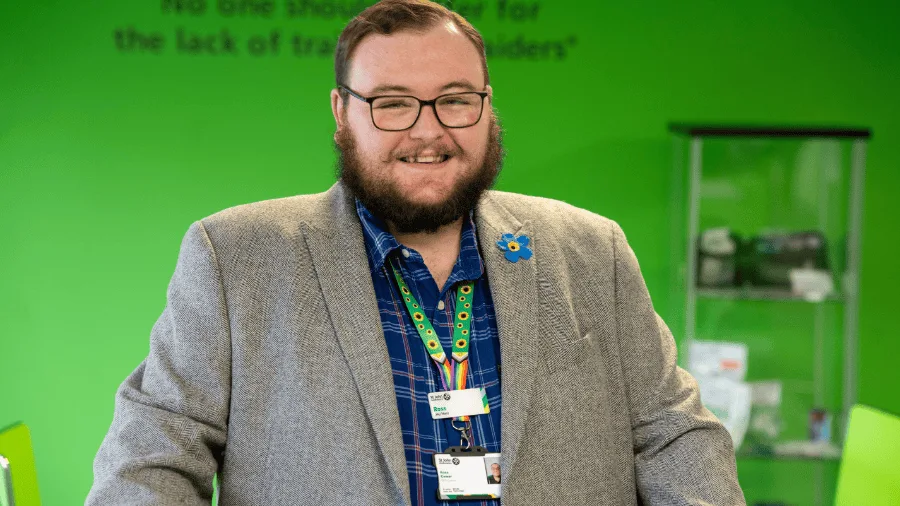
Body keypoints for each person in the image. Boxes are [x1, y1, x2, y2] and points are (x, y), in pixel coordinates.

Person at [87, 1, 745, 505]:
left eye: (456, 101)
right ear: (342, 114)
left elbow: (675, 433)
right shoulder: (235, 258)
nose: (428, 131)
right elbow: (149, 459)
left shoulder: (590, 250)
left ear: (487, 110)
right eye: (393, 104)